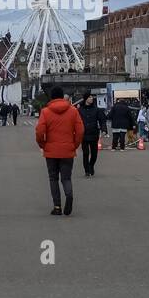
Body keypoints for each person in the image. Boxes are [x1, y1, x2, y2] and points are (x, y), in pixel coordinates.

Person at [36, 86, 84, 216]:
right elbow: (80, 131)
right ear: (63, 96)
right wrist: (74, 145)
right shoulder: (73, 111)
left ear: (51, 97)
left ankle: (57, 206)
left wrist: (43, 145)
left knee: (53, 178)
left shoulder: (45, 112)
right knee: (66, 178)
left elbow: (40, 131)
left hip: (51, 150)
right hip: (67, 150)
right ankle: (69, 195)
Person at [76, 93, 107, 176]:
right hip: (84, 134)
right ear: (86, 99)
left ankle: (91, 165)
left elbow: (102, 120)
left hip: (94, 133)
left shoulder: (96, 110)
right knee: (85, 153)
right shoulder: (80, 110)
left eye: (92, 97)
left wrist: (104, 130)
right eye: (89, 97)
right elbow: (76, 122)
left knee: (94, 154)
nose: (91, 98)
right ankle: (86, 170)